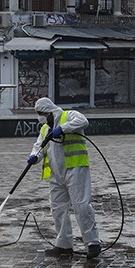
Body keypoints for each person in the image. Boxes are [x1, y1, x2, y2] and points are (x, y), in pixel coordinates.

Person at [26, 97, 101, 259]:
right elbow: (39, 146)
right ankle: (64, 245)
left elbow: (83, 121)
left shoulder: (70, 115)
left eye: (41, 114)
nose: (40, 117)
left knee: (81, 206)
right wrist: (34, 156)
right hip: (56, 174)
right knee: (58, 209)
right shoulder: (45, 129)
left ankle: (93, 243)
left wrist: (63, 128)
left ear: (50, 111)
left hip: (75, 169)